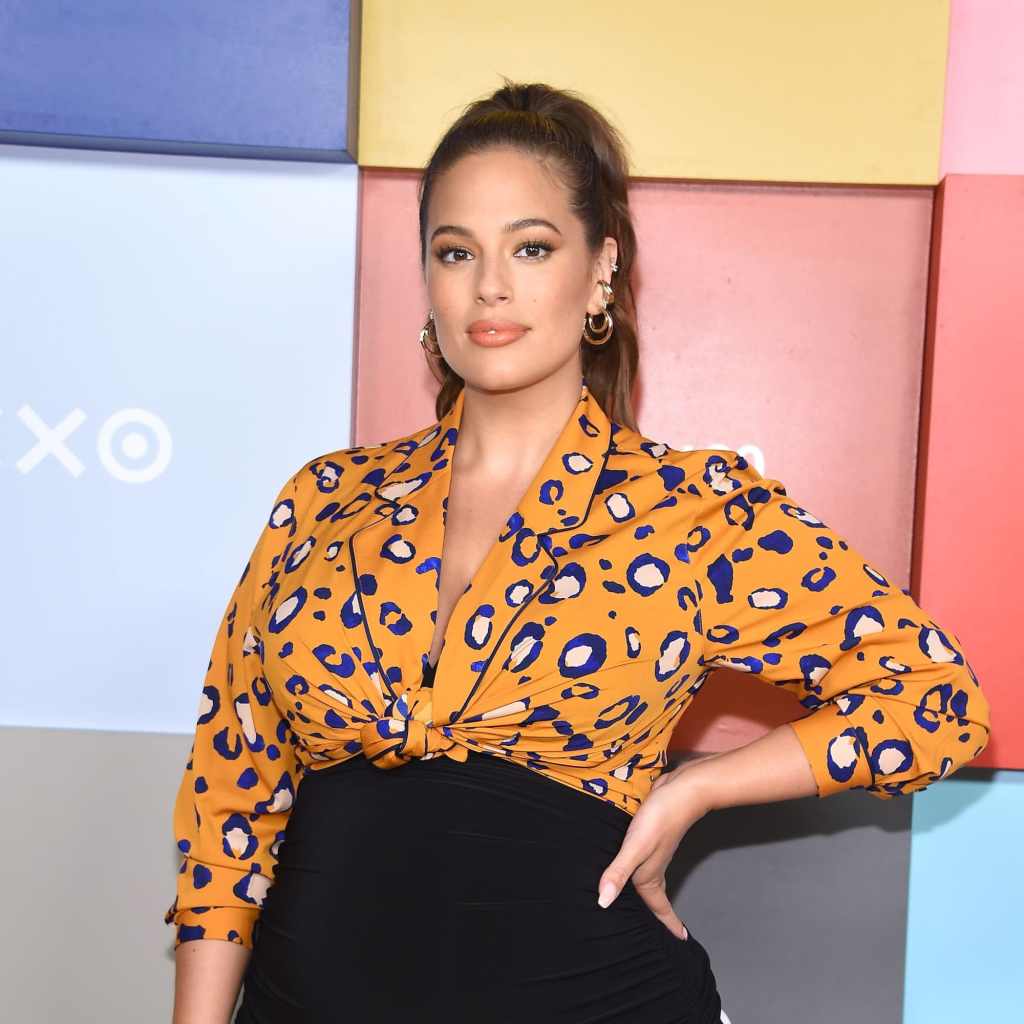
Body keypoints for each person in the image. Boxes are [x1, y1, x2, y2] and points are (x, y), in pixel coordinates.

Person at [165, 79, 991, 1024]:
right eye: (455, 251)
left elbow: (935, 700)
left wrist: (700, 787)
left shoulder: (691, 510)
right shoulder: (324, 501)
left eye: (531, 247)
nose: (490, 285)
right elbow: (230, 807)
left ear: (601, 269)